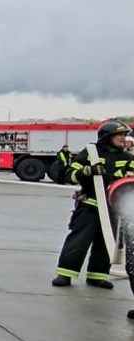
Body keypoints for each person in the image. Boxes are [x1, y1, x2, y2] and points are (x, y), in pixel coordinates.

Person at [52, 120, 133, 288]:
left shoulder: (128, 158)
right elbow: (69, 175)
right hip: (89, 205)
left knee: (105, 244)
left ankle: (98, 276)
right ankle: (65, 274)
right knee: (79, 241)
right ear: (107, 136)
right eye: (120, 135)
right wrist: (85, 171)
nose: (123, 138)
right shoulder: (90, 153)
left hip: (112, 209)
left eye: (125, 135)